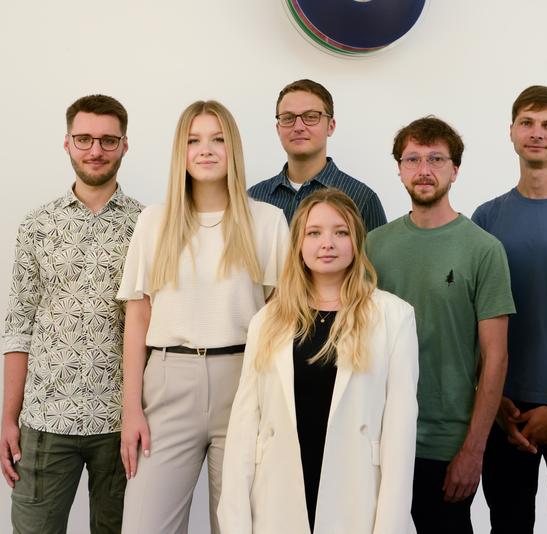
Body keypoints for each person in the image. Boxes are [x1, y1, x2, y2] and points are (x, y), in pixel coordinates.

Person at [118, 100, 289, 533]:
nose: (206, 149)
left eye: (218, 139)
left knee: (238, 525)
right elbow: (137, 317)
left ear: (234, 149)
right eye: (194, 140)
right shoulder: (154, 222)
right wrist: (131, 409)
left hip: (244, 380)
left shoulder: (267, 221)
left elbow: (282, 319)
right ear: (182, 151)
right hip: (168, 382)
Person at [218, 188, 419, 534]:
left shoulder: (394, 317)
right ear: (298, 243)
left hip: (356, 499)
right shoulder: (268, 321)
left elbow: (399, 436)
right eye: (314, 233)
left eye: (340, 232)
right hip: (277, 498)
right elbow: (243, 429)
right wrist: (236, 524)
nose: (327, 243)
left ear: (356, 241)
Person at [0, 94, 143, 533]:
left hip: (122, 421)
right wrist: (8, 418)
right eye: (84, 139)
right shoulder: (37, 225)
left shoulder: (148, 225)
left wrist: (138, 412)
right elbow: (19, 326)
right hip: (46, 418)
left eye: (108, 140)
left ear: (124, 145)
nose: (95, 150)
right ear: (67, 143)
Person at [367, 117, 515, 534]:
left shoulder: (483, 250)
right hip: (380, 436)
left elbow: (496, 358)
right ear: (399, 169)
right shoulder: (374, 245)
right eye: (412, 159)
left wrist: (473, 450)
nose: (423, 170)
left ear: (455, 169)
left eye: (436, 159)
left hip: (445, 442)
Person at [472, 85, 547, 533]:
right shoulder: (486, 218)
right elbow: (475, 319)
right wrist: (493, 399)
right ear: (511, 132)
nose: (537, 133)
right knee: (507, 525)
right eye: (527, 123)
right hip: (504, 410)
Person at [247, 79, 387, 230]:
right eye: (288, 118)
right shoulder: (254, 198)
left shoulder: (362, 199)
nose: (298, 127)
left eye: (311, 117)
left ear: (330, 126)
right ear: (278, 129)